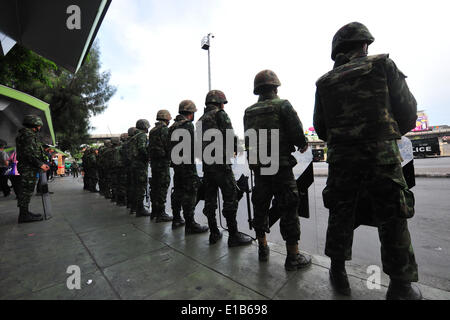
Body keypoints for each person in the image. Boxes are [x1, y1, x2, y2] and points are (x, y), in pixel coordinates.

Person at [313, 22, 420, 300]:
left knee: (340, 214)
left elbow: (321, 129)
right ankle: (400, 287)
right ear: (365, 45)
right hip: (382, 158)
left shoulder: (324, 82)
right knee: (392, 218)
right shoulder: (383, 66)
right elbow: (408, 114)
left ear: (338, 51)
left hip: (342, 162)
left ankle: (338, 275)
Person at [244, 70, 312, 270]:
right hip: (280, 166)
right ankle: (292, 256)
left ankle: (262, 248)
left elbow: (249, 139)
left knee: (260, 206)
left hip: (260, 167)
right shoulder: (283, 105)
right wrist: (302, 143)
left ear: (258, 90)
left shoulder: (249, 111)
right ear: (275, 87)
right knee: (289, 208)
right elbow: (297, 134)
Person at [197, 90, 252, 247]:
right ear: (220, 103)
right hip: (221, 164)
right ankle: (233, 235)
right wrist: (234, 150)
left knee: (210, 199)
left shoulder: (200, 120)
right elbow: (230, 134)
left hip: (207, 165)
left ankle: (214, 232)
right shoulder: (220, 114)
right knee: (230, 197)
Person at [169, 100, 209, 233]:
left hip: (177, 165)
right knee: (191, 192)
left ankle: (176, 218)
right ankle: (190, 224)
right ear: (191, 113)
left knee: (178, 191)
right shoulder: (187, 125)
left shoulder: (172, 127)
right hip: (187, 165)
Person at [15, 115, 49, 223]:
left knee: (27, 190)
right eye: (39, 125)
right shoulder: (27, 135)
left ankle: (25, 213)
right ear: (34, 124)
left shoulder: (27, 134)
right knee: (26, 191)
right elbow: (28, 154)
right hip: (27, 167)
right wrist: (40, 164)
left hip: (28, 166)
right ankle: (23, 215)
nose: (40, 127)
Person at [148, 111, 173, 222]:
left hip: (154, 163)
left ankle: (154, 211)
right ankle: (161, 213)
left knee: (155, 186)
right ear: (167, 119)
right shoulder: (164, 130)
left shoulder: (152, 130)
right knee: (163, 186)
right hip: (163, 162)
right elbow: (168, 146)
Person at [130, 119, 152, 217]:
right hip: (140, 165)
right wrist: (148, 157)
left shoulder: (133, 137)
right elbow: (142, 148)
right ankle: (140, 209)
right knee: (141, 187)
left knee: (135, 186)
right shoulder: (142, 136)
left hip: (133, 165)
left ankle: (134, 207)